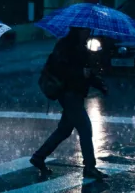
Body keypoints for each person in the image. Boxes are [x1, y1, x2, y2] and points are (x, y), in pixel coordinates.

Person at [30, 27, 109, 179]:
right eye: (84, 30)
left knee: (64, 130)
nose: (87, 33)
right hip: (68, 94)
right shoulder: (65, 46)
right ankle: (90, 167)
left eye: (88, 30)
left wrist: (100, 85)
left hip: (76, 94)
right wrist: (81, 73)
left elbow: (87, 72)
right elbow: (62, 70)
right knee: (85, 128)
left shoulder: (82, 47)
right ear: (77, 31)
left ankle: (39, 157)